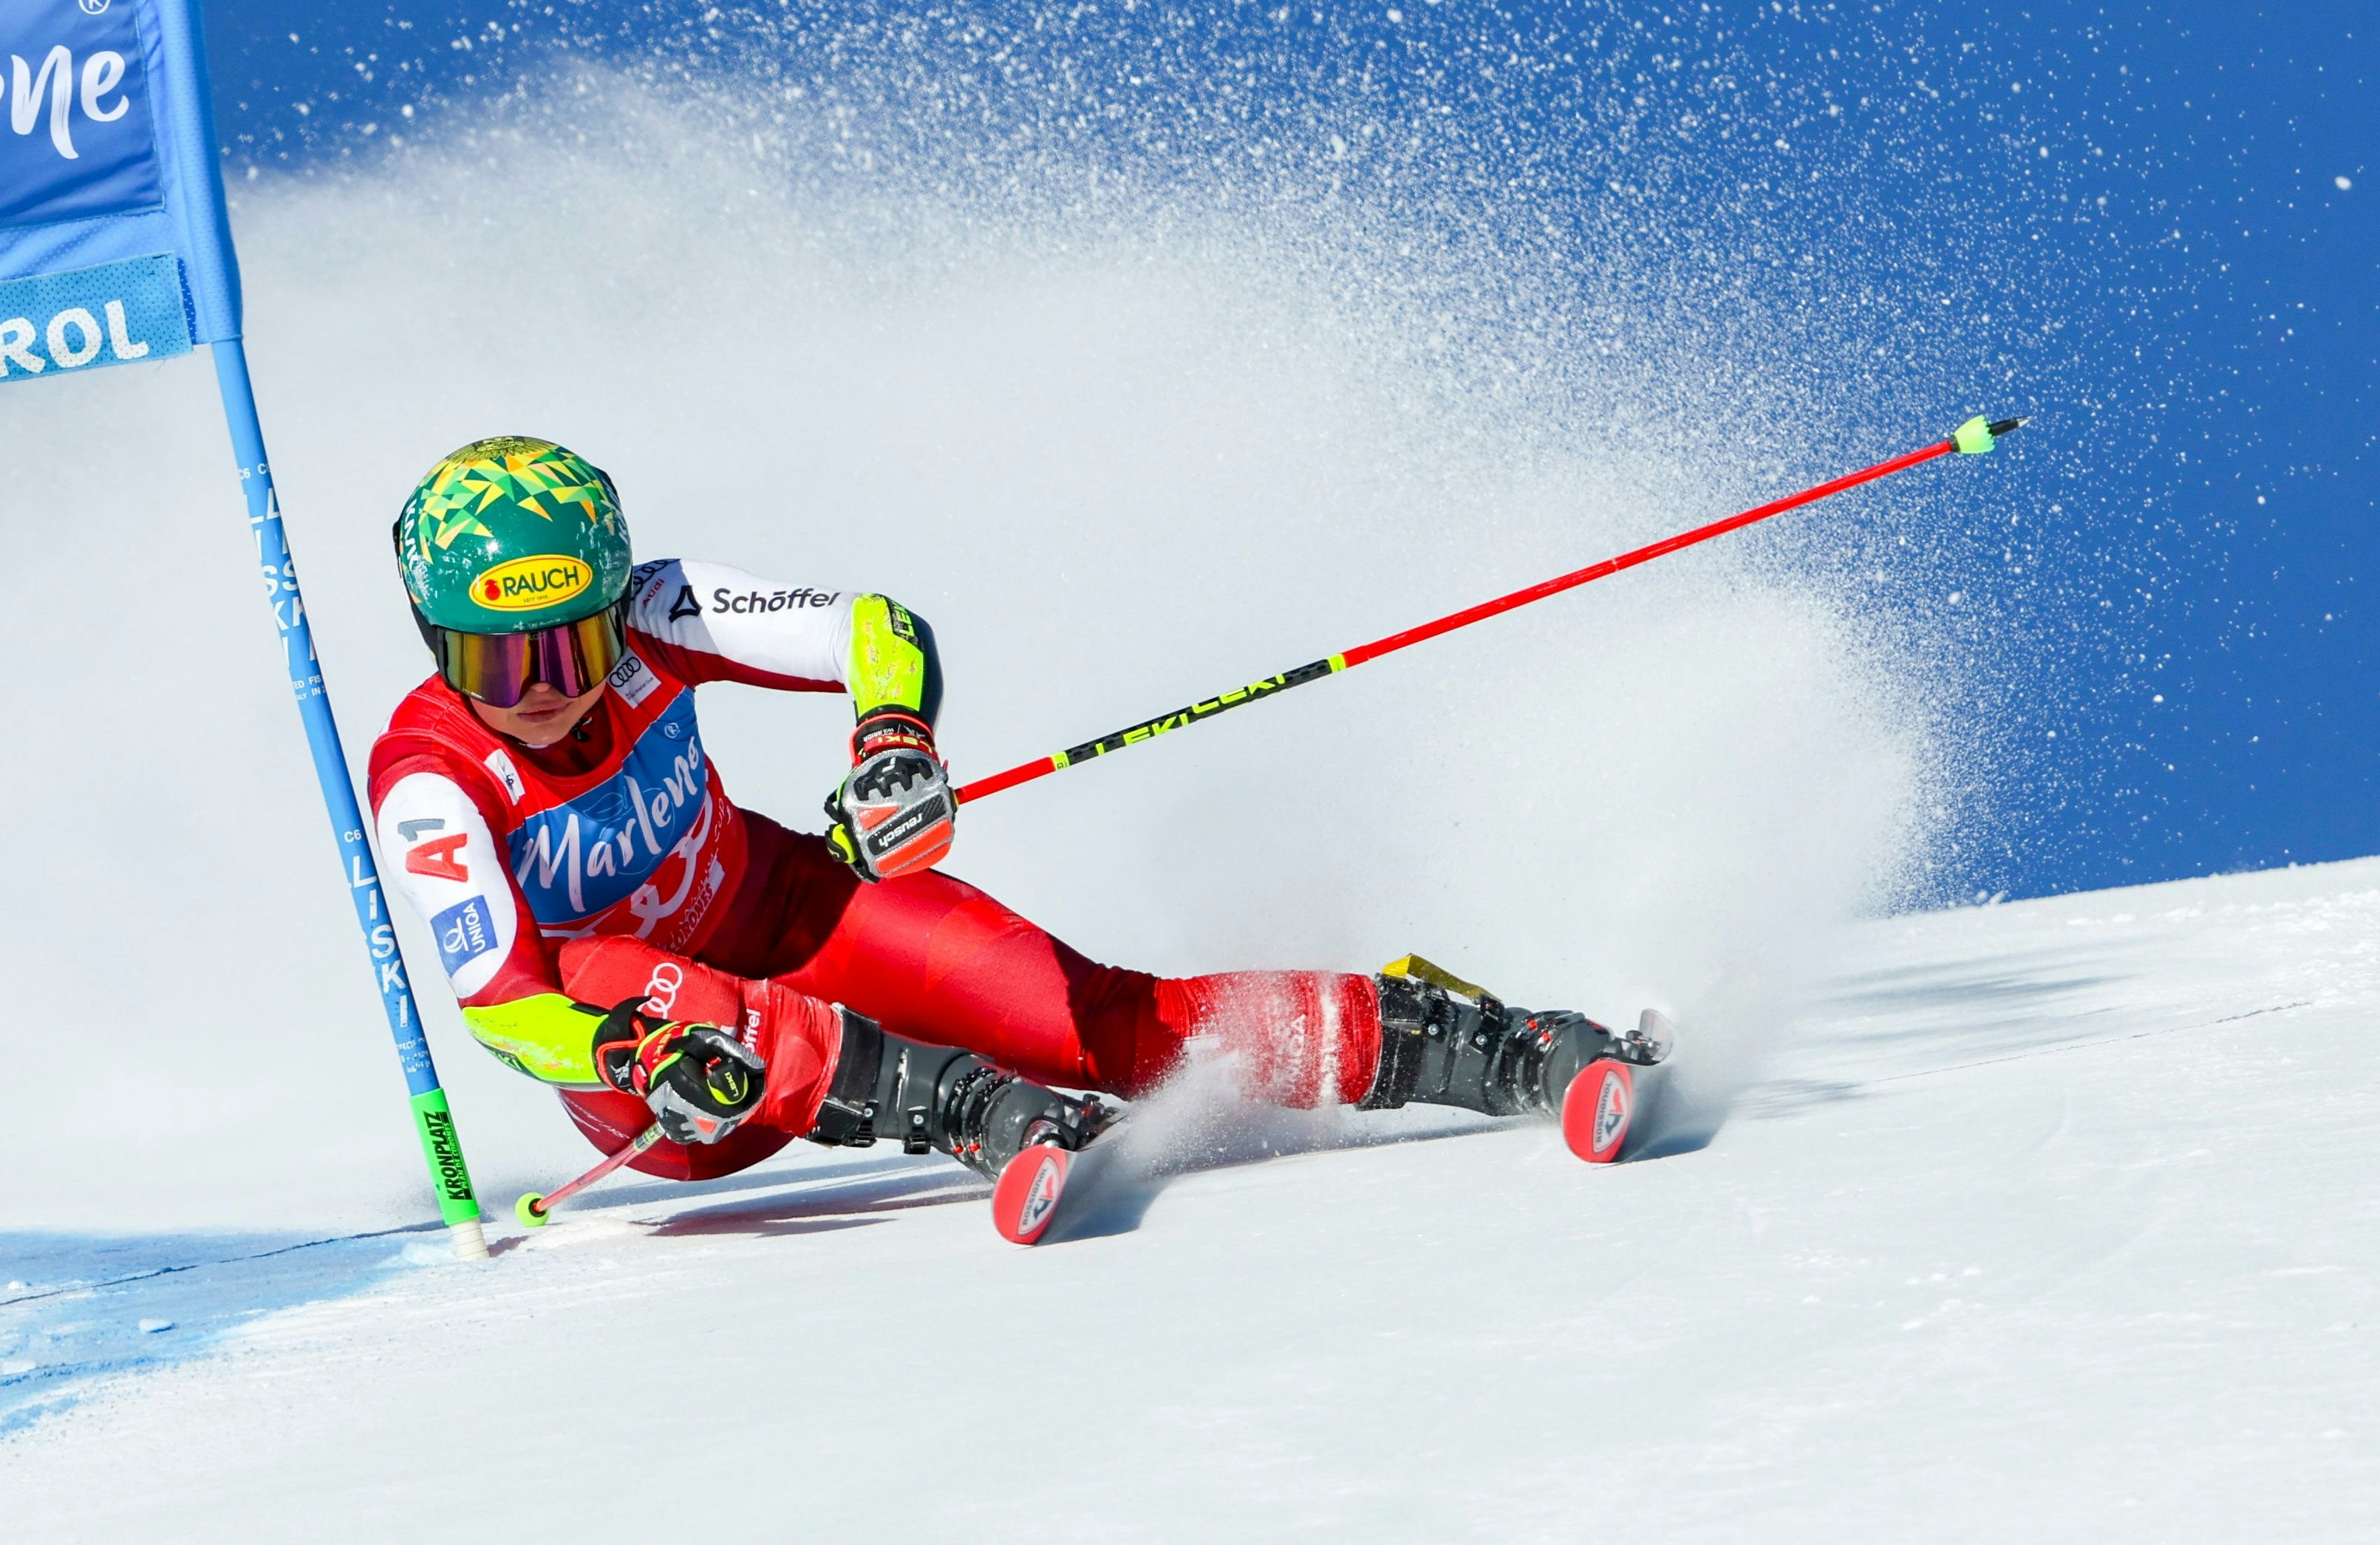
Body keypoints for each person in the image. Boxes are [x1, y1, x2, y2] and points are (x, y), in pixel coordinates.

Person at [367, 437, 1642, 1189]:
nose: (548, 691)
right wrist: (609, 1055)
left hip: (781, 904)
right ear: (441, 648)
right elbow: (504, 1004)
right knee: (657, 989)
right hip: (664, 1094)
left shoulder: (661, 605)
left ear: (612, 602)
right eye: (499, 663)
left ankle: (1494, 1046)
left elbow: (872, 630)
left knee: (1083, 1018)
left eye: (573, 642)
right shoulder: (430, 777)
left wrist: (891, 743)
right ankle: (970, 1109)